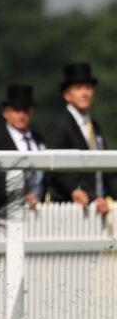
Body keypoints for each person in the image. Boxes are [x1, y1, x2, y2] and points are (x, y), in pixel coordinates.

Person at [45, 63, 115, 214]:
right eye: (78, 88)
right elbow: (57, 171)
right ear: (67, 95)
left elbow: (105, 170)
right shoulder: (59, 127)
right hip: (71, 208)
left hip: (99, 206)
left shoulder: (94, 126)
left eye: (88, 88)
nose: (84, 93)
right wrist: (84, 194)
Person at [0, 85, 46, 208]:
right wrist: (19, 195)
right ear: (6, 113)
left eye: (25, 110)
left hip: (40, 208)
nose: (21, 115)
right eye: (16, 110)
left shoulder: (38, 139)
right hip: (9, 208)